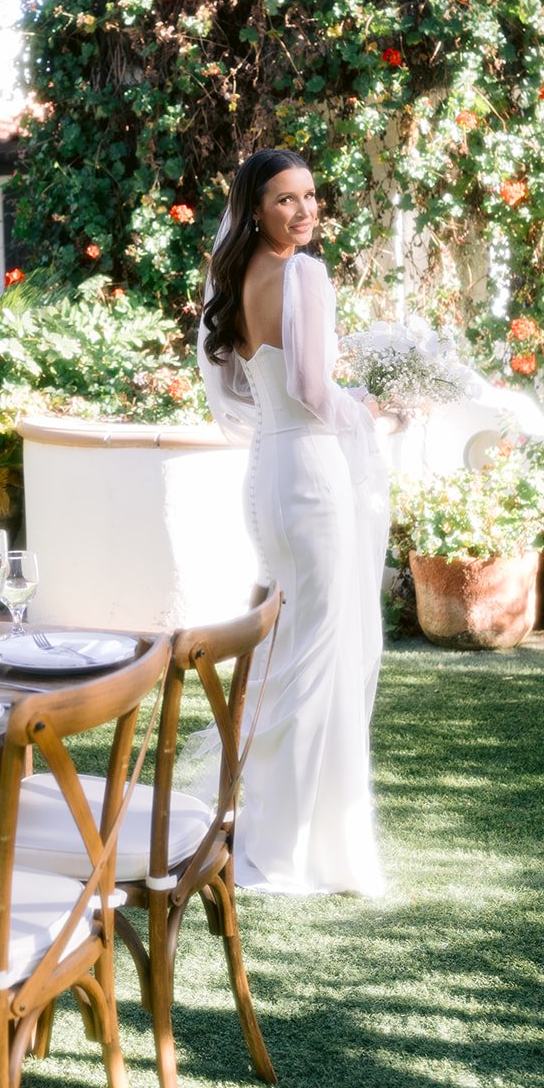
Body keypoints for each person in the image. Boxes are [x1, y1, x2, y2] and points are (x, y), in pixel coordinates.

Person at [196, 149, 389, 896]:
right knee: (318, 657)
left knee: (290, 651)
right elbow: (312, 390)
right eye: (285, 200)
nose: (304, 211)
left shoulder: (237, 277)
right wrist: (365, 410)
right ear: (254, 209)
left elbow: (255, 385)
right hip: (309, 475)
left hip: (266, 478)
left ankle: (274, 821)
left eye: (309, 197)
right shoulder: (305, 274)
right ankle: (298, 847)